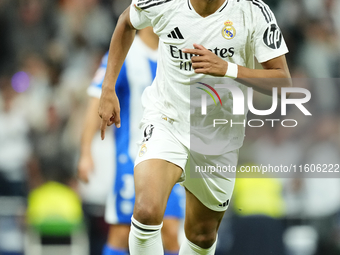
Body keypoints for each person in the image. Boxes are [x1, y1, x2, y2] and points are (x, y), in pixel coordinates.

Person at [99, 0, 291, 254]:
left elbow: (283, 81)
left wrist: (228, 69)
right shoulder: (164, 2)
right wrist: (108, 87)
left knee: (202, 235)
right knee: (146, 211)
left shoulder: (253, 11)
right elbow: (126, 21)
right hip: (167, 119)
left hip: (218, 134)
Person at [78, 27, 185, 255]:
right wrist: (86, 152)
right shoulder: (124, 53)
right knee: (121, 232)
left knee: (170, 231)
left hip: (170, 157)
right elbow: (96, 99)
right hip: (132, 159)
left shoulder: (176, 52)